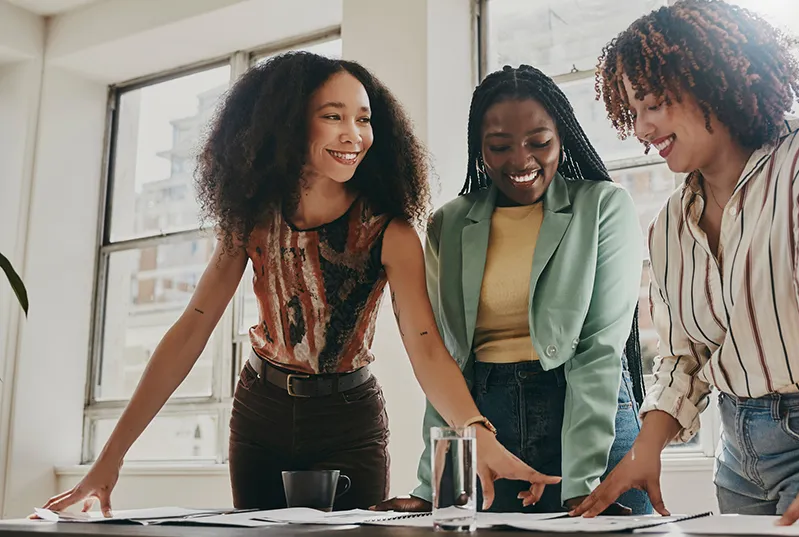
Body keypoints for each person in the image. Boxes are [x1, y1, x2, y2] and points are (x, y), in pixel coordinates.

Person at [40, 53, 559, 515]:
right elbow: (189, 333)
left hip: (348, 420)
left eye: (363, 118)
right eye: (333, 116)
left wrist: (476, 434)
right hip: (260, 413)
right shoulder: (252, 221)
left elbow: (425, 347)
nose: (353, 133)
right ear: (288, 124)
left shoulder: (391, 232)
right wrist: (108, 462)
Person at [571, 2, 799, 536]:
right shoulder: (669, 225)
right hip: (740, 457)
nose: (642, 128)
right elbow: (683, 358)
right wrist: (643, 451)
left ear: (710, 82)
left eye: (652, 105)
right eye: (633, 112)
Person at [375, 64, 652, 515]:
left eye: (539, 143)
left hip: (587, 420)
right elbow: (447, 359)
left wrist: (581, 482)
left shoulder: (602, 205)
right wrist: (432, 482)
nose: (521, 161)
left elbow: (598, 349)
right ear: (479, 150)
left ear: (562, 138)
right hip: (488, 427)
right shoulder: (450, 223)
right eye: (499, 147)